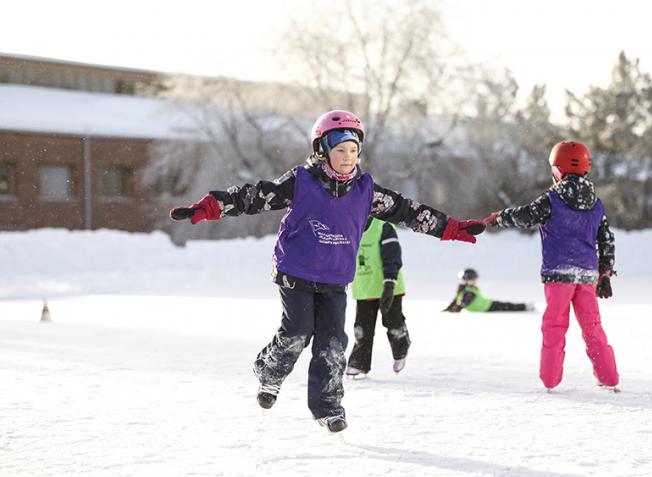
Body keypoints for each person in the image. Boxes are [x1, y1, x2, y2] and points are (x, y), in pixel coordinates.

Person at [170, 110, 485, 432]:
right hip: (296, 272)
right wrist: (208, 207)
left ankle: (328, 408)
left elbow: (408, 211)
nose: (348, 157)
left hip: (335, 278)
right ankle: (269, 371)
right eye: (340, 151)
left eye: (353, 150)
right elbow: (253, 197)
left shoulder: (366, 191)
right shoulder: (301, 182)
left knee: (333, 343)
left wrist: (452, 228)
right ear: (322, 151)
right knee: (296, 333)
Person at [482, 140, 619, 391]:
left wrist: (500, 217)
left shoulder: (552, 199)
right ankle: (609, 377)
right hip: (587, 276)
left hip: (558, 275)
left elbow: (525, 215)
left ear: (558, 170)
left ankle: (551, 379)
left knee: (555, 325)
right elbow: (607, 240)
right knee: (593, 328)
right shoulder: (596, 204)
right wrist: (606, 273)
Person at [346, 217, 409, 378]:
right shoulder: (348, 226)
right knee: (362, 327)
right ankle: (359, 363)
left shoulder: (383, 227)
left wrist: (389, 284)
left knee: (392, 322)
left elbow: (392, 257)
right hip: (364, 289)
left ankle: (401, 349)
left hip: (389, 287)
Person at [444, 268, 532, 313]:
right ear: (469, 280)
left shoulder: (465, 290)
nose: (476, 281)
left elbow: (458, 302)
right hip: (487, 307)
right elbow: (461, 303)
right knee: (507, 306)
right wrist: (452, 310)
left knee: (506, 305)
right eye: (474, 279)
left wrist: (450, 309)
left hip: (487, 305)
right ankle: (525, 306)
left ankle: (525, 306)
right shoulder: (469, 291)